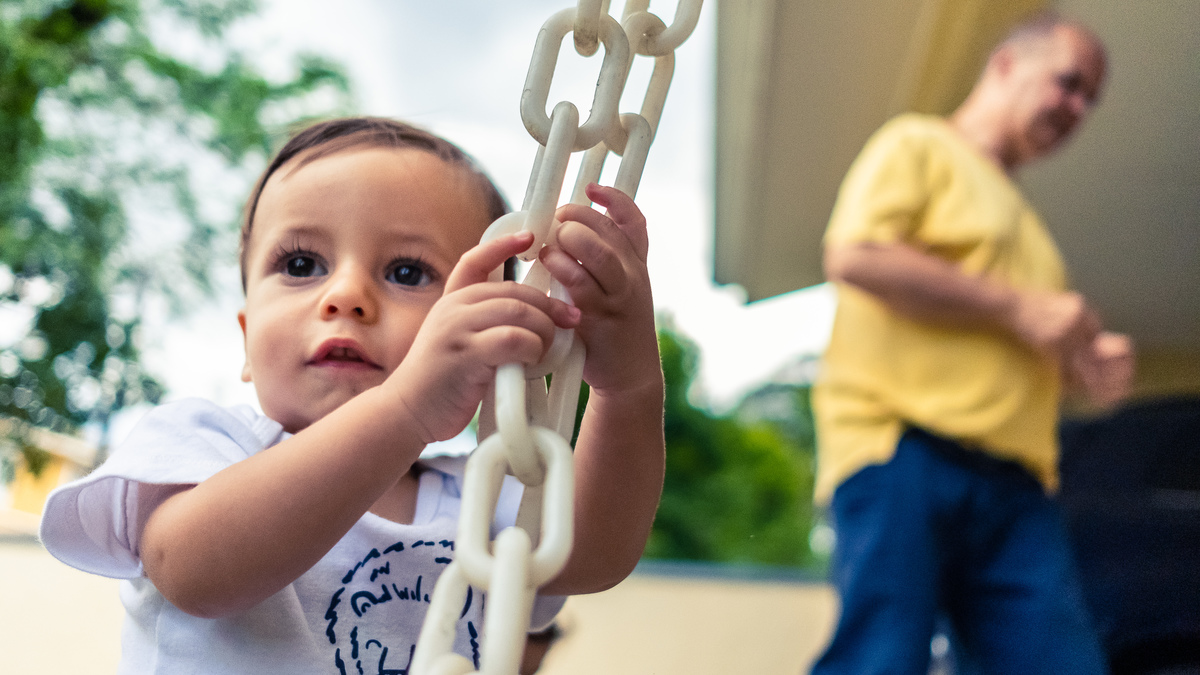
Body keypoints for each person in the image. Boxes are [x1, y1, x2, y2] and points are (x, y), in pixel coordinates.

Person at [39, 118, 666, 674]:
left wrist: (629, 387)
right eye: (301, 264)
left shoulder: (476, 495)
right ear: (247, 339)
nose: (346, 296)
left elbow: (593, 553)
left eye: (406, 272)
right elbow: (193, 571)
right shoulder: (206, 446)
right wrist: (406, 409)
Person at [810, 14, 1135, 675]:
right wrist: (1020, 305)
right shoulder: (918, 146)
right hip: (901, 448)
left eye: (1089, 99)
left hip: (1018, 485)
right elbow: (855, 255)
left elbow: (1018, 342)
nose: (1077, 110)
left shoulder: (1034, 232)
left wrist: (1086, 366)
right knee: (882, 659)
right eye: (1069, 84)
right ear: (1006, 66)